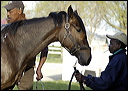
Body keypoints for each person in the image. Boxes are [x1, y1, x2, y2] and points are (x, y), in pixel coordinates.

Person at [2, 1, 48, 90]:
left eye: (10, 11)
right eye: (7, 11)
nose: (8, 14)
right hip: (7, 70)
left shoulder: (32, 29)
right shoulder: (3, 24)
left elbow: (45, 49)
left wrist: (39, 68)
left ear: (19, 11)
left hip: (27, 69)